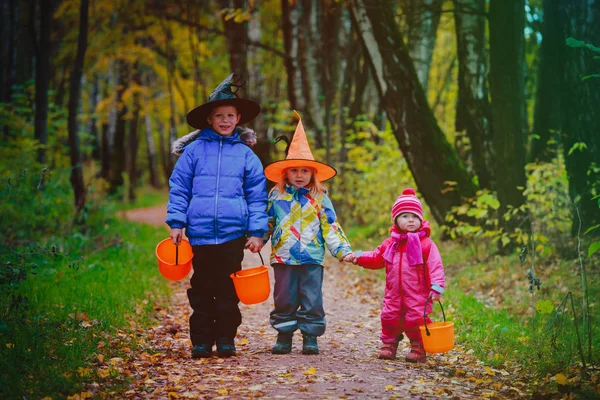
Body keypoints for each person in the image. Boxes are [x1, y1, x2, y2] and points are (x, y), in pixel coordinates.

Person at [166, 73, 268, 359]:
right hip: (199, 233)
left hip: (232, 234)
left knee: (227, 289)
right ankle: (201, 340)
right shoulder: (194, 151)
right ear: (209, 119)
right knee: (201, 288)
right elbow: (179, 187)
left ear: (238, 119)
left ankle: (225, 339)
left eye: (230, 115)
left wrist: (257, 231)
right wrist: (176, 223)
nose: (225, 120)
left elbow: (257, 196)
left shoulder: (247, 155)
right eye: (219, 115)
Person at [263, 111, 354, 355]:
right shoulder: (276, 196)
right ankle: (284, 335)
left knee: (312, 298)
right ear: (286, 173)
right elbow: (267, 221)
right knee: (284, 297)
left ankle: (310, 336)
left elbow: (330, 225)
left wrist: (342, 250)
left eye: (305, 171)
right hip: (283, 257)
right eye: (295, 171)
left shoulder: (320, 197)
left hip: (312, 257)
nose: (300, 175)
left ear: (313, 174)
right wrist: (256, 237)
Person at [345, 188, 445, 363]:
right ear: (396, 220)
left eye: (414, 216)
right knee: (389, 317)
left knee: (416, 320)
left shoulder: (426, 244)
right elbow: (376, 257)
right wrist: (358, 257)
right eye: (405, 216)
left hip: (418, 294)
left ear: (421, 219)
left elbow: (435, 265)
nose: (410, 220)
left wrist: (436, 286)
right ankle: (389, 345)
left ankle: (418, 348)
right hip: (394, 293)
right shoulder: (390, 244)